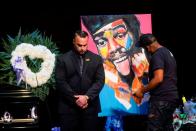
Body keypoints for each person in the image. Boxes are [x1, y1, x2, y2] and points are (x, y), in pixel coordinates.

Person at [55, 30, 105, 131]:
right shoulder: (62, 59)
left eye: (85, 45)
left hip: (90, 108)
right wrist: (76, 99)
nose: (82, 48)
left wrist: (86, 97)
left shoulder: (97, 59)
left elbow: (99, 81)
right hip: (68, 108)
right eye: (79, 45)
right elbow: (61, 82)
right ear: (73, 41)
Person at [133, 33, 179, 131]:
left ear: (148, 47)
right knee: (167, 127)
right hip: (170, 98)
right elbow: (166, 73)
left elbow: (158, 78)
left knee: (154, 128)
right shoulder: (167, 52)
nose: (146, 51)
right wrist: (147, 74)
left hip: (161, 100)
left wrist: (142, 91)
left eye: (144, 49)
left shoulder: (157, 55)